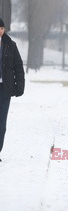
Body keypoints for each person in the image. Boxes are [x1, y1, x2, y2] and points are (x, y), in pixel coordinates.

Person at [0, 18, 25, 162]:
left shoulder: (10, 45)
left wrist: (19, 86)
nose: (0, 31)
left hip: (5, 88)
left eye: (2, 28)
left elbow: (18, 67)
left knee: (2, 123)